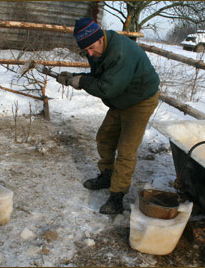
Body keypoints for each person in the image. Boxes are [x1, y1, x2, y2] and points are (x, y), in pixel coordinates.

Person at [57, 17, 160, 214]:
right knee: (104, 138)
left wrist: (82, 82)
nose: (89, 53)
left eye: (91, 48)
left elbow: (107, 88)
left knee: (126, 149)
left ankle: (117, 196)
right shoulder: (96, 48)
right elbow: (101, 75)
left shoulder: (120, 51)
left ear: (101, 38)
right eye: (85, 50)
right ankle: (107, 175)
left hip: (140, 99)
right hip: (121, 97)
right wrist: (73, 78)